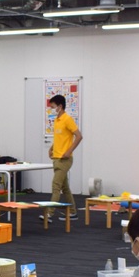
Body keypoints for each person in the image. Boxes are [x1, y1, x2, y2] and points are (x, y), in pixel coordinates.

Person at [44, 94, 82, 223]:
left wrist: (69, 151)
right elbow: (59, 139)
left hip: (65, 159)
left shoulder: (67, 119)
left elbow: (79, 136)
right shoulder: (57, 120)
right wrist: (51, 148)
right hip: (56, 158)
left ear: (60, 106)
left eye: (53, 107)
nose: (52, 110)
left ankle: (49, 214)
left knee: (56, 186)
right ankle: (73, 212)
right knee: (65, 188)